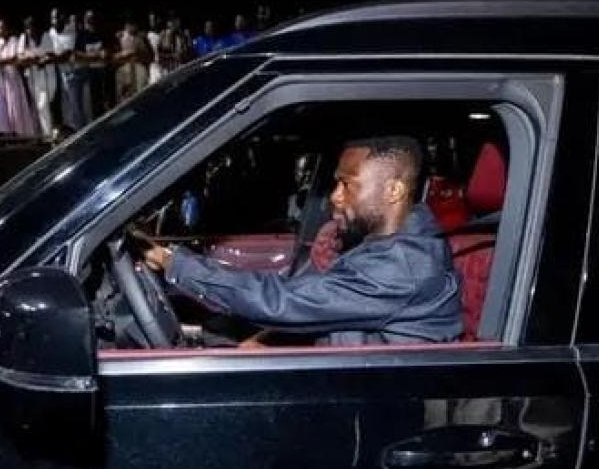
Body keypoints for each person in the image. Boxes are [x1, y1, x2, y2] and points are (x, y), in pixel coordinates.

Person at [142, 136, 463, 345]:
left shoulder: (404, 266)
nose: (335, 197)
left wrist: (175, 262)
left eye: (347, 185)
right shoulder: (384, 245)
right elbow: (318, 304)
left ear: (394, 190)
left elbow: (284, 302)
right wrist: (265, 340)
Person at [0, 19, 38, 138]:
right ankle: (7, 133)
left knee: (16, 106)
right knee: (4, 106)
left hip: (13, 78)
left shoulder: (14, 41)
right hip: (2, 79)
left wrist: (0, 61)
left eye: (1, 27)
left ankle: (21, 133)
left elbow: (14, 58)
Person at [20, 15, 57, 138]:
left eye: (32, 28)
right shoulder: (24, 39)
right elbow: (20, 56)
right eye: (28, 28)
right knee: (39, 107)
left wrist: (42, 60)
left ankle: (48, 135)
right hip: (32, 78)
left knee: (43, 104)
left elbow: (51, 55)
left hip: (48, 76)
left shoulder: (46, 37)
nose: (30, 31)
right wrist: (30, 58)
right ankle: (46, 133)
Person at [114, 21, 151, 101]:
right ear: (126, 26)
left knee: (141, 91)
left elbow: (146, 53)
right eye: (130, 25)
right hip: (124, 68)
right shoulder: (119, 37)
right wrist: (123, 55)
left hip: (137, 67)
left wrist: (137, 53)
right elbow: (114, 55)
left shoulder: (139, 38)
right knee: (123, 93)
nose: (132, 27)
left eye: (134, 25)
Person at [146, 11, 164, 84]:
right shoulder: (147, 36)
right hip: (153, 66)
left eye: (154, 19)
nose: (152, 22)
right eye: (150, 20)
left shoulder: (163, 34)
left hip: (164, 65)